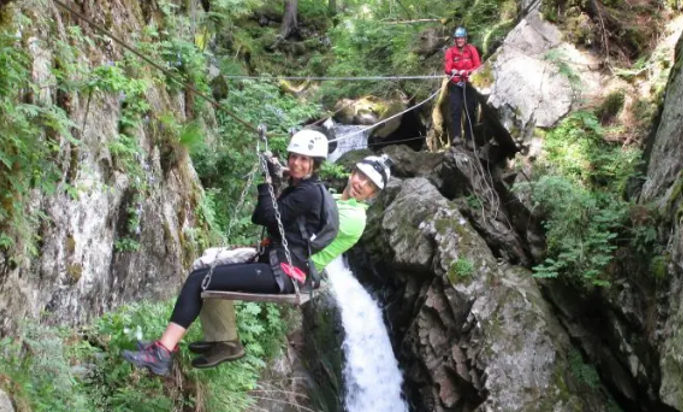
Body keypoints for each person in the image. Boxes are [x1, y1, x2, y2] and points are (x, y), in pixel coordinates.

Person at [122, 129, 329, 376]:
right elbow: (265, 217)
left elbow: (265, 215)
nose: (296, 163)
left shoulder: (309, 192)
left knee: (201, 279)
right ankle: (219, 342)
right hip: (277, 266)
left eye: (304, 159)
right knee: (205, 273)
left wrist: (268, 181)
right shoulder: (300, 188)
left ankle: (162, 352)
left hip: (281, 273)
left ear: (315, 165)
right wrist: (275, 179)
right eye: (294, 156)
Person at [188, 154, 394, 369]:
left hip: (294, 266)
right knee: (211, 259)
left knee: (206, 266)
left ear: (373, 194)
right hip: (281, 255)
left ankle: (224, 340)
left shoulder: (355, 218)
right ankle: (223, 338)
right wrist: (291, 176)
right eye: (361, 176)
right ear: (353, 173)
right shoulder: (331, 197)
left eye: (369, 184)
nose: (361, 184)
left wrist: (280, 181)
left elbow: (295, 218)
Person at [444, 26, 481, 147]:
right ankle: (457, 136)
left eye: (461, 38)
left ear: (465, 39)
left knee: (470, 110)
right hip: (455, 85)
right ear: (455, 39)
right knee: (456, 109)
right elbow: (447, 68)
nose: (459, 40)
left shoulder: (471, 50)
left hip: (469, 84)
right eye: (457, 38)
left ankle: (470, 138)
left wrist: (468, 72)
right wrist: (455, 71)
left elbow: (477, 65)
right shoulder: (451, 51)